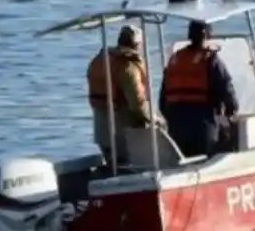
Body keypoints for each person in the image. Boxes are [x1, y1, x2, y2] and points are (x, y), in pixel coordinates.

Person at [159, 21, 239, 158]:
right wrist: (232, 111)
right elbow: (225, 86)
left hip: (176, 119)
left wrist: (170, 116)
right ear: (207, 35)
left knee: (182, 156)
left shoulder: (176, 58)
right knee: (208, 154)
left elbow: (163, 97)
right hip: (202, 120)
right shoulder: (210, 59)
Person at [87, 25, 153, 165]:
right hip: (122, 134)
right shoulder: (128, 68)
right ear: (137, 45)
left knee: (113, 165)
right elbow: (138, 105)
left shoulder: (100, 60)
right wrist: (154, 120)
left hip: (102, 133)